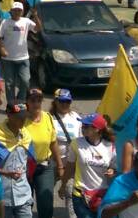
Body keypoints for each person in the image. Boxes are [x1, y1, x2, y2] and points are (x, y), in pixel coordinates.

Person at [59, 113, 115, 218]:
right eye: (82, 125)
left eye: (86, 126)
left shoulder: (110, 146)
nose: (82, 128)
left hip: (102, 195)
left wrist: (112, 170)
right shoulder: (76, 144)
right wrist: (63, 185)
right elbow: (70, 167)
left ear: (97, 129)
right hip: (80, 195)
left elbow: (114, 167)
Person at [24, 89, 62, 218]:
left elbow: (53, 142)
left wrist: (60, 165)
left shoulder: (47, 117)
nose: (36, 103)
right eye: (32, 100)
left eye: (39, 100)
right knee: (24, 204)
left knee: (46, 204)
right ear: (27, 102)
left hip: (45, 166)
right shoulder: (20, 119)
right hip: (24, 168)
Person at [0, 103, 34, 218]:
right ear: (9, 115)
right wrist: (6, 173)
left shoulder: (27, 136)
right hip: (2, 196)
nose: (23, 120)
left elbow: (31, 163)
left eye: (24, 117)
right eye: (19, 117)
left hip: (23, 194)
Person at [0, 2, 38, 108]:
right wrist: (1, 48)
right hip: (8, 59)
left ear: (22, 11)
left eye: (19, 10)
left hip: (23, 58)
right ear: (11, 11)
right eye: (15, 10)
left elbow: (38, 29)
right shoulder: (5, 22)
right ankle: (11, 104)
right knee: (9, 84)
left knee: (25, 81)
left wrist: (35, 15)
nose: (17, 12)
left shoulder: (26, 21)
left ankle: (20, 101)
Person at [49, 89, 82, 218]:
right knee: (45, 193)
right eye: (62, 101)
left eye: (67, 101)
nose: (65, 104)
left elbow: (81, 138)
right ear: (55, 101)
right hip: (52, 162)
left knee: (69, 191)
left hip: (70, 163)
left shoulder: (76, 117)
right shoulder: (48, 118)